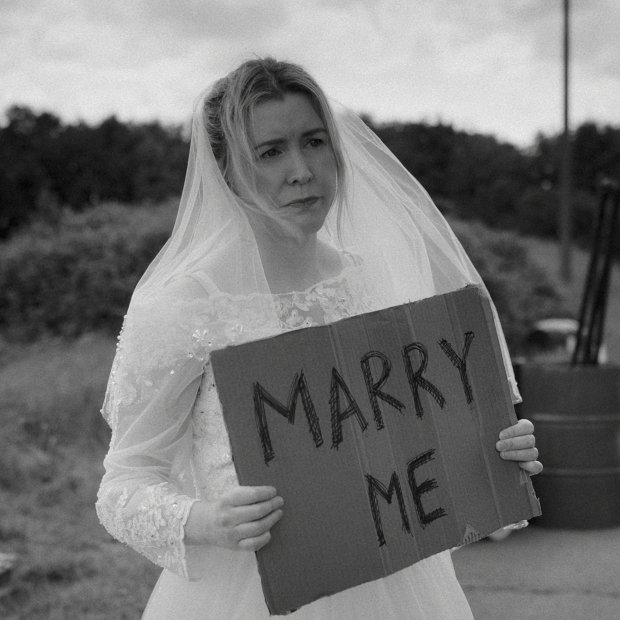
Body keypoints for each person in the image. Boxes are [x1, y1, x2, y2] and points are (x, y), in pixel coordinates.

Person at [96, 57, 542, 619]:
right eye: (271, 152)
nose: (302, 169)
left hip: (399, 589)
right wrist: (205, 521)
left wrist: (493, 452)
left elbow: (415, 439)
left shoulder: (371, 280)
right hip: (251, 594)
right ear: (226, 170)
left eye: (314, 142)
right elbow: (123, 484)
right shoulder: (185, 303)